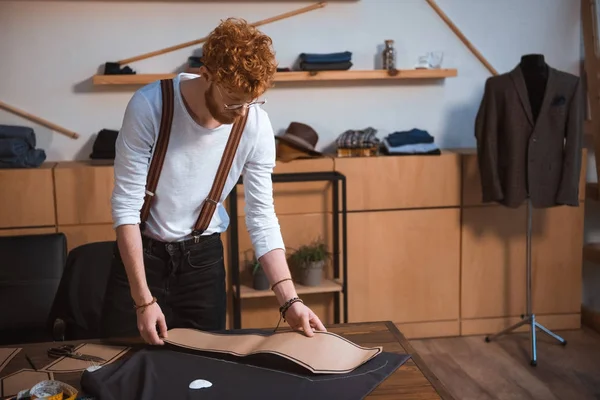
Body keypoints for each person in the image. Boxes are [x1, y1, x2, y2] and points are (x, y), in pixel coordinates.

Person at [100, 18, 326, 345]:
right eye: (233, 101)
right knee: (121, 370)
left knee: (204, 375)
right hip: (141, 258)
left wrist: (290, 300)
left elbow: (262, 217)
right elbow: (125, 208)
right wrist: (143, 300)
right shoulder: (150, 106)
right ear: (207, 75)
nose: (241, 112)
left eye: (251, 101)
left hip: (202, 263)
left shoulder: (256, 125)